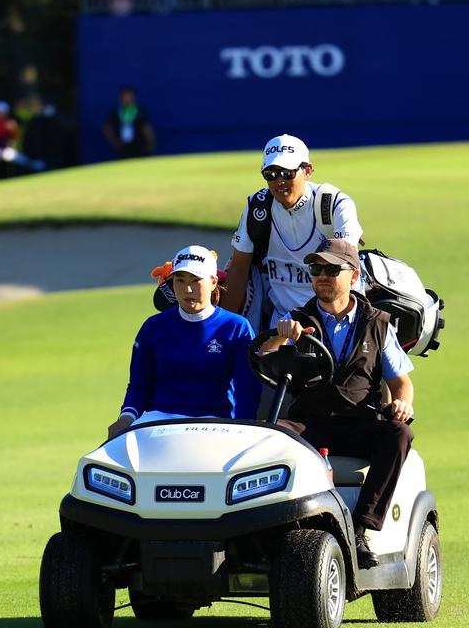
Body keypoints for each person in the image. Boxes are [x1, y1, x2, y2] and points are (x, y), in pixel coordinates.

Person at [254, 239, 414, 569]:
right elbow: (263, 357)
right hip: (310, 422)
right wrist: (281, 337)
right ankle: (274, 528)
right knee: (272, 437)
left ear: (353, 275)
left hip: (358, 422)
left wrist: (402, 403)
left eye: (331, 270)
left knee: (398, 435)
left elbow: (401, 384)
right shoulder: (296, 318)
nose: (321, 276)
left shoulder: (377, 323)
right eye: (316, 270)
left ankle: (362, 529)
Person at [106, 246, 261, 440]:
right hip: (158, 422)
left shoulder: (236, 327)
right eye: (180, 280)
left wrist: (243, 431)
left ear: (213, 282)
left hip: (215, 425)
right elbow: (139, 386)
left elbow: (247, 389)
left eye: (196, 281)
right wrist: (126, 418)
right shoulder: (154, 327)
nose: (187, 289)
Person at [222, 133, 363, 335]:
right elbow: (238, 269)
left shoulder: (333, 204)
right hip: (282, 325)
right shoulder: (257, 207)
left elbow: (347, 265)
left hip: (338, 321)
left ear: (307, 170)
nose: (279, 181)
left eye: (287, 173)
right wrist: (223, 328)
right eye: (271, 174)